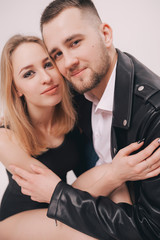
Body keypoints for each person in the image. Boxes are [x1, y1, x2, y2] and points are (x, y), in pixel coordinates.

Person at [8, 0, 160, 239]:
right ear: (15, 88)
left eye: (75, 42)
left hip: (65, 201)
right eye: (57, 54)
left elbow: (150, 228)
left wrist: (113, 177)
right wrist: (114, 173)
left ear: (106, 35)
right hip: (22, 217)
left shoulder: (73, 100)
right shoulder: (8, 132)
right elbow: (47, 190)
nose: (67, 63)